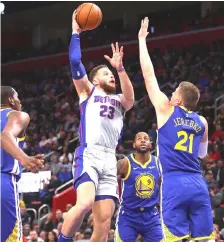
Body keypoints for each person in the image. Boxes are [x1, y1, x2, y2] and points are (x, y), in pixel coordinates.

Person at [58, 10, 134, 242]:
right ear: (94, 80)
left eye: (112, 74)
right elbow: (74, 61)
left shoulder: (120, 100)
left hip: (110, 158)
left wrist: (120, 69)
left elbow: (131, 98)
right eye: (106, 73)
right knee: (84, 204)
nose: (111, 76)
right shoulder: (87, 92)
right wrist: (75, 32)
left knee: (104, 223)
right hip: (89, 153)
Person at [138, 18, 214, 241]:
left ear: (179, 101)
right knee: (205, 238)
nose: (170, 96)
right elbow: (202, 154)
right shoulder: (202, 122)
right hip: (198, 184)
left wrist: (142, 40)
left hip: (174, 183)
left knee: (173, 238)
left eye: (173, 94)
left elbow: (148, 75)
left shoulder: (166, 110)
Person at [0, 86, 44, 242]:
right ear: (11, 99)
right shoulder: (17, 115)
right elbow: (5, 136)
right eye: (17, 97)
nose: (20, 101)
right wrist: (23, 158)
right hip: (4, 183)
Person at [115, 132, 162, 242]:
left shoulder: (158, 163)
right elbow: (107, 179)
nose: (142, 140)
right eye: (139, 138)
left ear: (150, 144)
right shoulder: (125, 163)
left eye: (146, 138)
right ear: (134, 145)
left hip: (151, 215)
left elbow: (163, 187)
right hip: (128, 215)